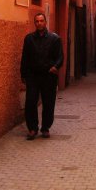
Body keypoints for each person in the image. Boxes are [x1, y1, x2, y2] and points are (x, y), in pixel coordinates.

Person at [20, 12, 64, 140]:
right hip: (33, 76)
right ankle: (32, 128)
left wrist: (55, 67)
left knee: (48, 103)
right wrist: (23, 74)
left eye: (41, 21)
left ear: (45, 22)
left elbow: (60, 56)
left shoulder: (54, 39)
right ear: (35, 23)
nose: (39, 23)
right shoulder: (29, 39)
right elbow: (25, 58)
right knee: (30, 103)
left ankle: (45, 128)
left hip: (48, 76)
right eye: (37, 21)